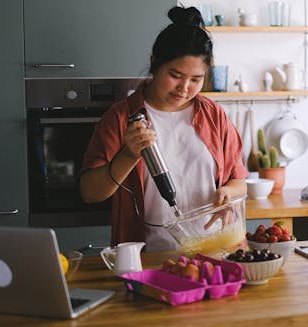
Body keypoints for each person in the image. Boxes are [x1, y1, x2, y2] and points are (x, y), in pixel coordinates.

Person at [80, 6, 247, 252]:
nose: (184, 88)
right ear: (154, 62)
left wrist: (227, 192)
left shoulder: (214, 116)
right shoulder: (120, 118)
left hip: (217, 249)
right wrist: (129, 154)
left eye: (196, 79)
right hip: (151, 256)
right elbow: (90, 193)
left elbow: (239, 181)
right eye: (175, 75)